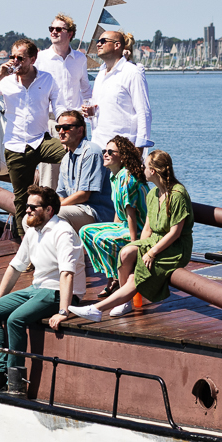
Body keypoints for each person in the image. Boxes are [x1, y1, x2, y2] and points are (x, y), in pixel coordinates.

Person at [51, 149, 191, 328]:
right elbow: (147, 228)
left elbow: (175, 233)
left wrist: (151, 252)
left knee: (136, 275)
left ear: (153, 171)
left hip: (175, 247)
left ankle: (97, 308)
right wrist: (140, 247)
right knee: (125, 253)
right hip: (154, 241)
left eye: (145, 166)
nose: (141, 168)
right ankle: (124, 300)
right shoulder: (153, 194)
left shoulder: (177, 194)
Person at [0, 185, 85, 397]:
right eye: (27, 207)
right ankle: (1, 372)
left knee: (15, 320)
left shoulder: (63, 232)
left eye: (33, 207)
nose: (27, 211)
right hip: (36, 288)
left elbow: (67, 274)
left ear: (49, 210)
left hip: (57, 292)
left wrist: (64, 311)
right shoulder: (33, 231)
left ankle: (15, 381)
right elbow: (16, 266)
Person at [0, 38, 63, 240]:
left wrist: (66, 128)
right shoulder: (5, 81)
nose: (15, 61)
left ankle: (67, 205)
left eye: (20, 58)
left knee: (70, 153)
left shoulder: (47, 79)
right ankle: (25, 241)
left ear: (32, 59)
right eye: (12, 57)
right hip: (15, 145)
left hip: (41, 141)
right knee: (21, 198)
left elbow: (59, 108)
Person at [77, 135, 149, 296]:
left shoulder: (126, 177)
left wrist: (133, 244)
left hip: (139, 229)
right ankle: (112, 275)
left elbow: (131, 213)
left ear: (123, 156)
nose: (105, 154)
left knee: (102, 239)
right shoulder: (113, 176)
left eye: (111, 151)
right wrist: (113, 227)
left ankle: (114, 279)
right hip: (124, 224)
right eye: (105, 150)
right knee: (85, 232)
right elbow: (119, 209)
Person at [34, 13, 92, 188]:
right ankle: (47, 212)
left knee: (79, 170)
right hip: (50, 122)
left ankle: (74, 210)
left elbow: (86, 89)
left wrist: (90, 109)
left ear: (70, 34)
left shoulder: (80, 59)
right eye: (51, 29)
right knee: (49, 176)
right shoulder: (40, 59)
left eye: (59, 29)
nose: (54, 32)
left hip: (76, 123)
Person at [82, 29, 152, 150]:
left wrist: (139, 148)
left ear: (117, 45)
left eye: (103, 41)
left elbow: (143, 111)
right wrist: (91, 112)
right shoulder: (100, 74)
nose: (98, 44)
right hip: (98, 145)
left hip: (123, 149)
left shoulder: (132, 72)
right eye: (98, 41)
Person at [52, 109, 112, 232]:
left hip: (96, 213)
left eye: (66, 128)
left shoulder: (91, 152)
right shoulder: (66, 159)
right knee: (29, 219)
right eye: (59, 128)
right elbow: (61, 194)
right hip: (76, 209)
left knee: (56, 215)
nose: (61, 132)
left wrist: (53, 209)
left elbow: (84, 194)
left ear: (80, 130)